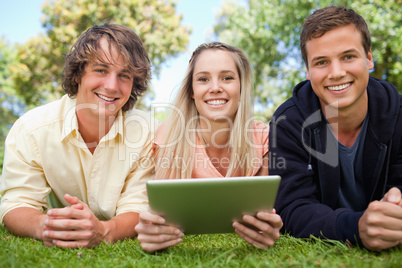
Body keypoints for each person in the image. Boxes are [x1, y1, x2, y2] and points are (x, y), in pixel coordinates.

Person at [0, 24, 157, 248]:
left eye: (124, 75)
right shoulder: (30, 129)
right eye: (101, 70)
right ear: (78, 74)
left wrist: (104, 231)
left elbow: (138, 206)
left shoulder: (149, 133)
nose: (112, 86)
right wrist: (46, 226)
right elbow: (16, 203)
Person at [269, 6, 402, 251]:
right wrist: (355, 227)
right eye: (321, 62)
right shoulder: (288, 122)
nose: (337, 72)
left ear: (369, 58)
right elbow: (292, 206)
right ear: (308, 71)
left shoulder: (398, 113)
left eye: (348, 57)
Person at [135, 42, 283, 252]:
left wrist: (269, 226)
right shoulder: (168, 137)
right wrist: (153, 229)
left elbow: (270, 210)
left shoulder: (262, 137)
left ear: (241, 87)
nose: (215, 87)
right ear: (192, 91)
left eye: (227, 78)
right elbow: (159, 213)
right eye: (203, 79)